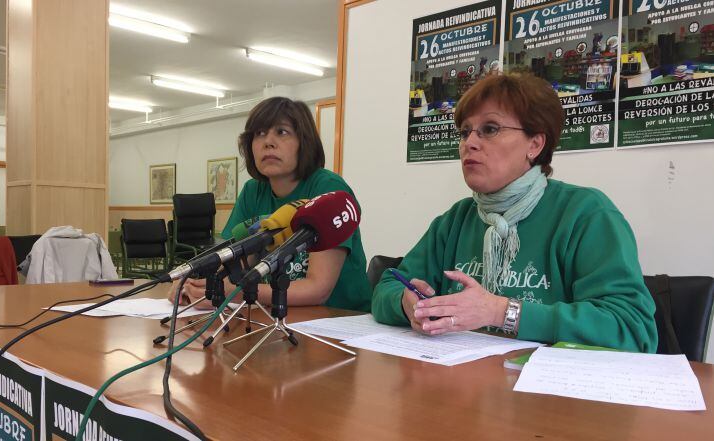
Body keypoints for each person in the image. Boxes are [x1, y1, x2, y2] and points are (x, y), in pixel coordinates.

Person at [372, 73, 658, 353]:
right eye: (465, 131)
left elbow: (631, 328)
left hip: (550, 393)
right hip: (461, 385)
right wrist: (406, 303)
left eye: (490, 128)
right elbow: (387, 288)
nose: (469, 142)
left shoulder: (586, 214)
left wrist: (501, 312)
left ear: (535, 144)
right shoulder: (456, 220)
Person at [168, 97, 372, 312]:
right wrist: (192, 282)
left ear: (305, 142)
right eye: (260, 133)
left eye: (282, 132)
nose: (268, 142)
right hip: (273, 313)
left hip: (338, 319)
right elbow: (229, 262)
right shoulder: (252, 191)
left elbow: (318, 289)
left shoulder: (328, 188)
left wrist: (236, 292)